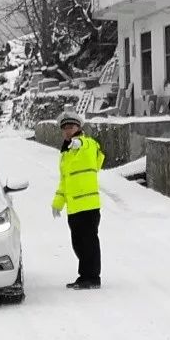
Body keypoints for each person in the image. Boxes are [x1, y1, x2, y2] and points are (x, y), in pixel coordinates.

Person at [52, 110, 105, 289]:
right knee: (78, 244)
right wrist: (57, 203)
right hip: (74, 207)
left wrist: (79, 141)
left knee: (89, 242)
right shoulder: (66, 154)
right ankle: (84, 276)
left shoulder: (87, 144)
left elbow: (93, 150)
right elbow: (64, 181)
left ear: (79, 128)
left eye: (71, 127)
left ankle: (92, 278)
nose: (67, 131)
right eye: (65, 128)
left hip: (89, 205)